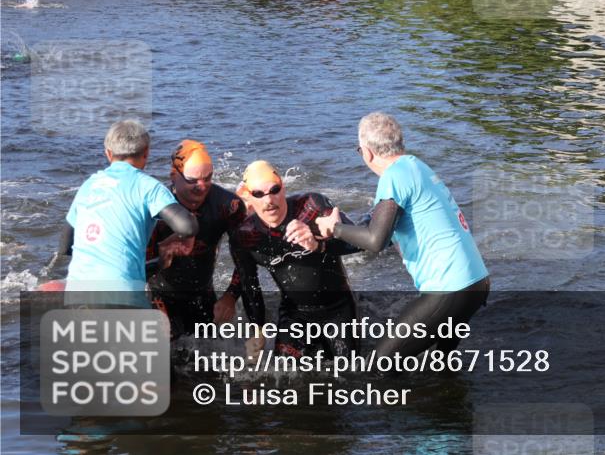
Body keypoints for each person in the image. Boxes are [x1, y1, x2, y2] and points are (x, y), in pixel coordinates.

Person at [317, 112, 490, 360]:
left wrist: (335, 229)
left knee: (380, 366)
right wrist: (331, 244)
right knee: (440, 367)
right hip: (477, 282)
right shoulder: (416, 166)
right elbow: (384, 233)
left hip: (451, 289)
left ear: (365, 152)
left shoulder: (393, 176)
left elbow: (376, 241)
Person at [230, 160, 361, 358]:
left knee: (350, 374)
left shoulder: (311, 206)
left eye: (275, 190)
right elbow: (250, 285)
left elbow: (360, 243)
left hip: (337, 307)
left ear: (283, 188)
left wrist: (320, 241)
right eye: (259, 194)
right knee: (284, 377)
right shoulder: (246, 235)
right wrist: (258, 329)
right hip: (294, 313)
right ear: (248, 197)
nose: (269, 200)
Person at [61, 120, 198, 304]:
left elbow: (65, 245)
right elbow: (187, 226)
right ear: (146, 153)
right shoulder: (148, 187)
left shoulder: (88, 185)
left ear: (108, 154)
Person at [146, 140, 247, 339]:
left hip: (202, 293)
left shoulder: (228, 206)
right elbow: (131, 268)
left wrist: (230, 296)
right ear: (174, 176)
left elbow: (247, 258)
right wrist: (159, 254)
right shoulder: (154, 209)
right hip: (160, 296)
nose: (201, 187)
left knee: (211, 360)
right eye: (192, 180)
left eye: (207, 178)